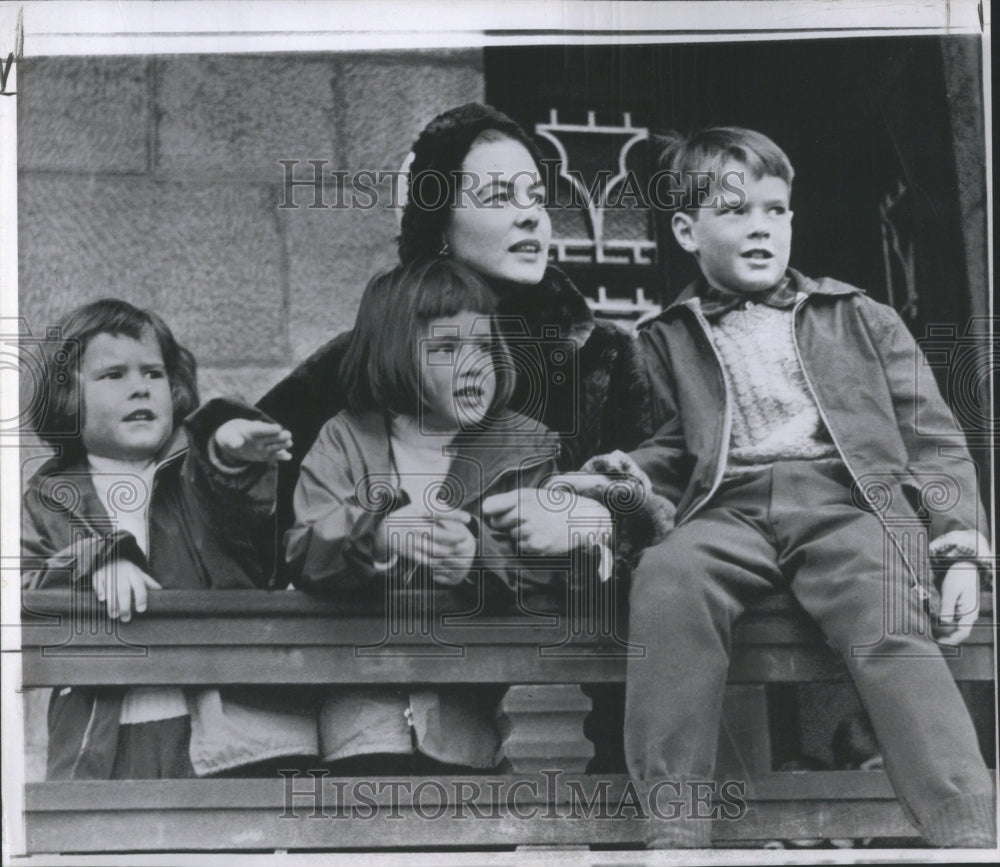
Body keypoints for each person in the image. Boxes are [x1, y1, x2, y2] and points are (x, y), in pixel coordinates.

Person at [611, 127, 995, 847]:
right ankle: (676, 830)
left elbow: (934, 439)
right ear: (687, 229)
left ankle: (970, 827)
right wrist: (621, 486)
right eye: (735, 210)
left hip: (845, 504)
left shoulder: (861, 317)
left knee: (886, 613)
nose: (761, 225)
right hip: (722, 509)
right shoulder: (662, 339)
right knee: (667, 578)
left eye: (776, 208)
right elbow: (663, 453)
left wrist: (960, 550)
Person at [285, 258, 600, 771]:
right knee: (370, 827)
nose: (474, 363)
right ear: (394, 355)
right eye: (449, 348)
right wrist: (380, 534)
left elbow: (557, 576)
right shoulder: (345, 439)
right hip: (361, 705)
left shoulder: (526, 445)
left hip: (482, 709)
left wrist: (478, 558)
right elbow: (303, 550)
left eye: (483, 346)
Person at [22, 299, 317, 779]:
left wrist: (227, 452)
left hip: (222, 729)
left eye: (154, 374)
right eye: (113, 375)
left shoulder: (195, 470)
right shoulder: (48, 496)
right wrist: (100, 558)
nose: (140, 387)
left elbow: (239, 507)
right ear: (67, 397)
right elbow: (25, 584)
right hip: (103, 736)